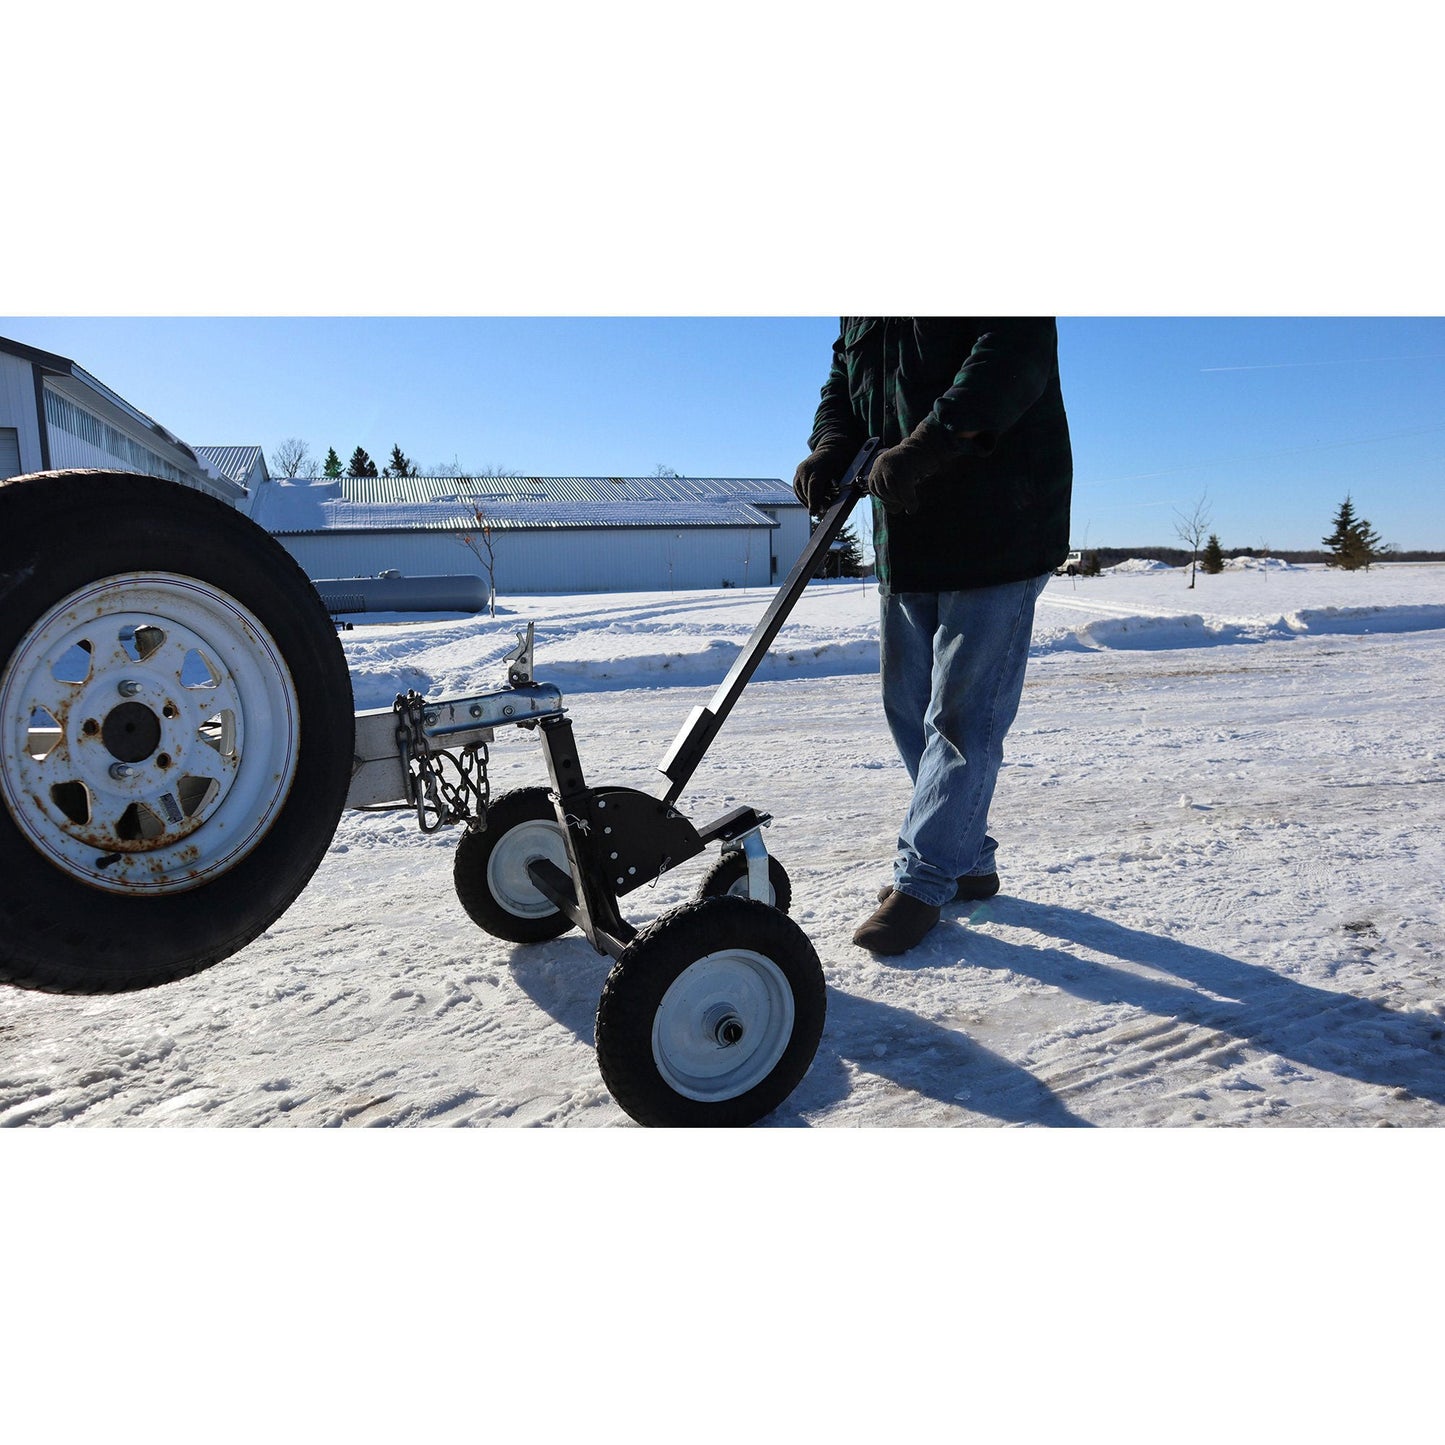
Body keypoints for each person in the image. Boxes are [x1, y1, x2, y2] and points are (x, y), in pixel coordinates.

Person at [793, 318, 1072, 955]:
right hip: (908, 528)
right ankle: (966, 858)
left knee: (962, 718)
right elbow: (844, 377)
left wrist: (928, 444)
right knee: (907, 704)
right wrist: (832, 443)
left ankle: (923, 880)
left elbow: (1011, 355)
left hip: (999, 522)